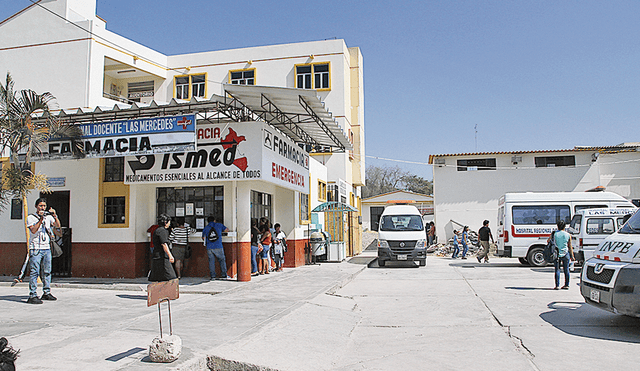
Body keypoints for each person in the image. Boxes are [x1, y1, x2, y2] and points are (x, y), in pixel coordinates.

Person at [26, 198, 61, 304]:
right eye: (40, 206)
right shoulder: (31, 218)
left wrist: (55, 215)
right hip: (36, 248)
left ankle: (46, 292)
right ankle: (32, 294)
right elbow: (33, 230)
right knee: (34, 272)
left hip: (46, 248)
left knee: (47, 271)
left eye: (44, 206)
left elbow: (57, 226)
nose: (42, 208)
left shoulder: (48, 217)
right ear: (36, 206)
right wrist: (40, 219)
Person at [148, 214, 177, 282]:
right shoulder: (162, 231)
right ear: (165, 222)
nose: (170, 224)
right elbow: (164, 244)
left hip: (157, 256)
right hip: (162, 257)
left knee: (159, 278)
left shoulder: (157, 230)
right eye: (169, 222)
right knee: (171, 276)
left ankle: (159, 291)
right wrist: (170, 256)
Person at [549, 220, 575, 290]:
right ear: (564, 226)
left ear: (557, 226)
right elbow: (570, 246)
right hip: (565, 254)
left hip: (556, 254)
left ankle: (557, 285)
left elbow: (548, 241)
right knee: (566, 270)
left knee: (557, 269)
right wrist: (572, 256)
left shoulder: (554, 234)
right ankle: (566, 285)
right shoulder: (568, 235)